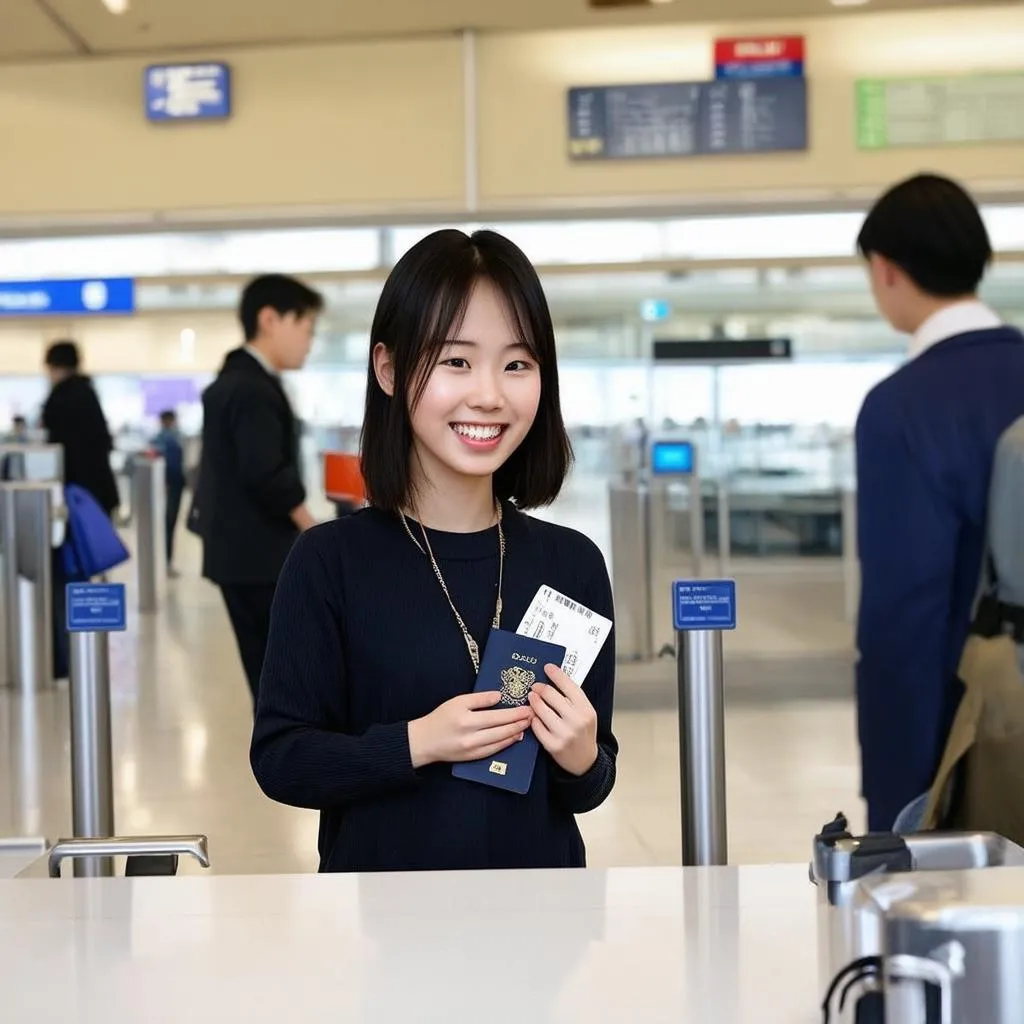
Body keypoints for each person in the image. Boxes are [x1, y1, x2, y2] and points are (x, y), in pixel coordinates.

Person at [250, 229, 618, 874]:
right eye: (456, 361)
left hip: (542, 926)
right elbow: (283, 762)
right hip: (387, 933)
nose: (489, 395)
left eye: (517, 363)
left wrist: (583, 756)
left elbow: (589, 786)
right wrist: (417, 743)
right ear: (388, 369)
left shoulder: (572, 564)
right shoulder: (329, 562)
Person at [854, 173, 1024, 831]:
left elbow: (906, 616)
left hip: (974, 742)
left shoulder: (902, 408)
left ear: (886, 269)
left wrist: (898, 796)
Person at [196, 273, 323, 708]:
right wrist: (312, 528)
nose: (309, 341)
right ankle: (288, 761)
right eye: (305, 328)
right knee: (281, 676)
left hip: (239, 555)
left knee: (266, 671)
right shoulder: (251, 388)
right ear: (270, 319)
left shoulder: (234, 378)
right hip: (259, 557)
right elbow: (265, 472)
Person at [41, 341, 120, 517]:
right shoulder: (87, 391)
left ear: (55, 366)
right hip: (99, 487)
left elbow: (58, 445)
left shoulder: (61, 397)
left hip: (78, 491)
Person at [150, 409, 187, 577]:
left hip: (164, 486)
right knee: (169, 524)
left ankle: (164, 561)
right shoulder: (173, 439)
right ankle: (166, 561)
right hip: (173, 485)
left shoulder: (157, 439)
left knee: (166, 525)